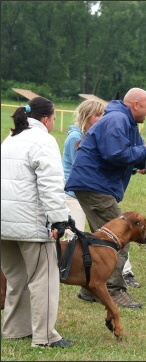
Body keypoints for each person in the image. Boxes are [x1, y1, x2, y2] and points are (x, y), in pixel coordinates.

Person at [65, 88, 146, 308]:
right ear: (135, 105)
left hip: (94, 185)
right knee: (120, 238)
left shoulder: (127, 123)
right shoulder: (117, 120)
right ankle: (113, 290)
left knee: (99, 240)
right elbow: (115, 154)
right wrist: (145, 149)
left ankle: (90, 289)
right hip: (95, 185)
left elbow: (135, 155)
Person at [1, 97, 72, 347]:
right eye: (53, 119)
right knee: (45, 280)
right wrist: (60, 219)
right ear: (46, 119)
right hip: (30, 223)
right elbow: (50, 184)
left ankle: (14, 329)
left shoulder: (11, 138)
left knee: (16, 279)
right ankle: (45, 337)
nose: (54, 124)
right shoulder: (44, 140)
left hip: (4, 223)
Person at [62, 100, 104, 238]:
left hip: (85, 194)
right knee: (73, 238)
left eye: (102, 115)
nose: (101, 118)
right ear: (86, 115)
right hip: (73, 195)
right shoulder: (75, 137)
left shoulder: (89, 136)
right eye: (97, 114)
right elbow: (83, 168)